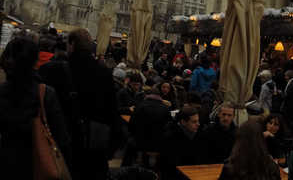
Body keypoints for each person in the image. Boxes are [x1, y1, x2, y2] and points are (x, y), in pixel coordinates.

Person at [40, 27, 119, 180]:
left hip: (63, 146)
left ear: (73, 44)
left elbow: (45, 109)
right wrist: (111, 146)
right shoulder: (104, 73)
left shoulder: (55, 70)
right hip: (95, 146)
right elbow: (112, 112)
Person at [0, 37, 72, 179]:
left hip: (6, 165)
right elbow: (63, 139)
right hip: (39, 166)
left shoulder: (2, 91)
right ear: (36, 60)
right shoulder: (46, 93)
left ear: (11, 58)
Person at [121, 87, 172, 166]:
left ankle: (125, 167)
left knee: (129, 143)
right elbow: (168, 126)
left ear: (146, 96)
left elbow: (131, 125)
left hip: (141, 140)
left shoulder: (140, 106)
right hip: (159, 142)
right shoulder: (165, 109)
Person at [159, 106, 202, 180]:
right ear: (183, 122)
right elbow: (171, 166)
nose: (198, 124)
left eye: (198, 121)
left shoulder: (197, 134)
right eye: (194, 122)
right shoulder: (170, 137)